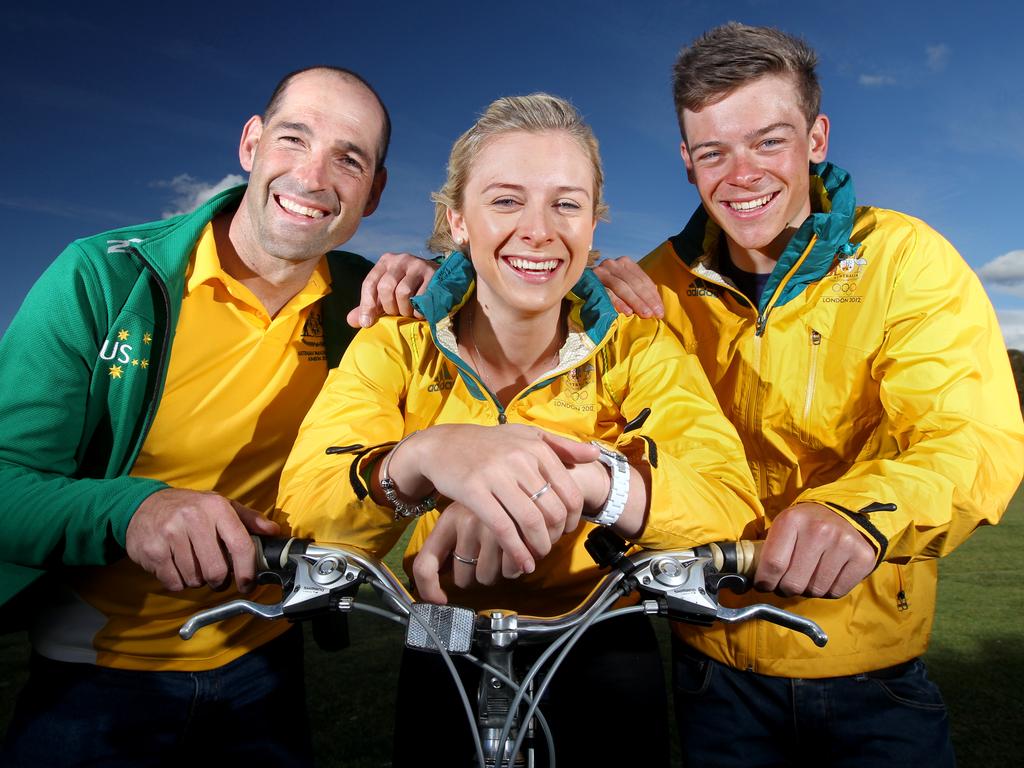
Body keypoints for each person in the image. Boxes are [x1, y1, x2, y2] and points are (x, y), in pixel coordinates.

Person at [276, 93, 763, 767]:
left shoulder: (641, 347)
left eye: (566, 204)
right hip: (442, 634)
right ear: (458, 222)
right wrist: (423, 456)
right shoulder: (393, 341)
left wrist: (584, 482)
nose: (539, 230)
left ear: (593, 225)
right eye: (506, 201)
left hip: (604, 634)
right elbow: (308, 515)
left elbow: (728, 506)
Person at [594, 22, 1024, 767]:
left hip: (872, 672)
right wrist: (439, 282)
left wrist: (858, 513)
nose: (741, 174)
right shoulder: (652, 283)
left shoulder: (905, 258)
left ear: (816, 138)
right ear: (686, 161)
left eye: (769, 141)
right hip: (711, 666)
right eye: (713, 152)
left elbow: (971, 437)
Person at [0, 66, 437, 766]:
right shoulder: (103, 277)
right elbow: (5, 482)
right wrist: (133, 509)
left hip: (265, 660)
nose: (314, 176)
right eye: (294, 139)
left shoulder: (367, 301)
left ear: (374, 192)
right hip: (93, 678)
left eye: (349, 159)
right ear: (251, 145)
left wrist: (448, 277)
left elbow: (513, 288)